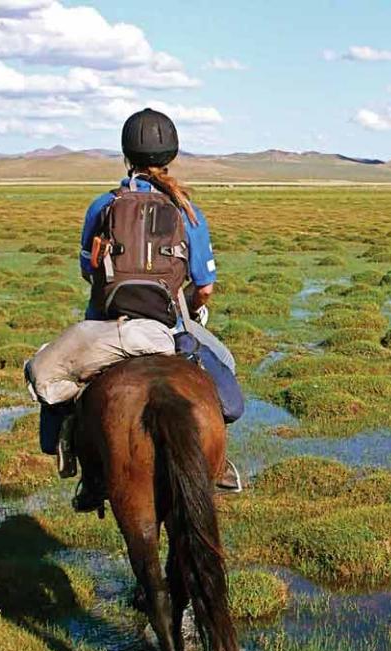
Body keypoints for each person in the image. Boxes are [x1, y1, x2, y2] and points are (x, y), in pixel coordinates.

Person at [25, 108, 244, 513]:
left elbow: (88, 272)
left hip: (105, 325)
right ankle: (218, 466)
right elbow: (206, 286)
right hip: (170, 327)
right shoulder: (187, 210)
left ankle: (81, 468)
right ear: (172, 156)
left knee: (49, 375)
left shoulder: (102, 205)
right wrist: (193, 309)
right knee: (226, 384)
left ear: (126, 154)